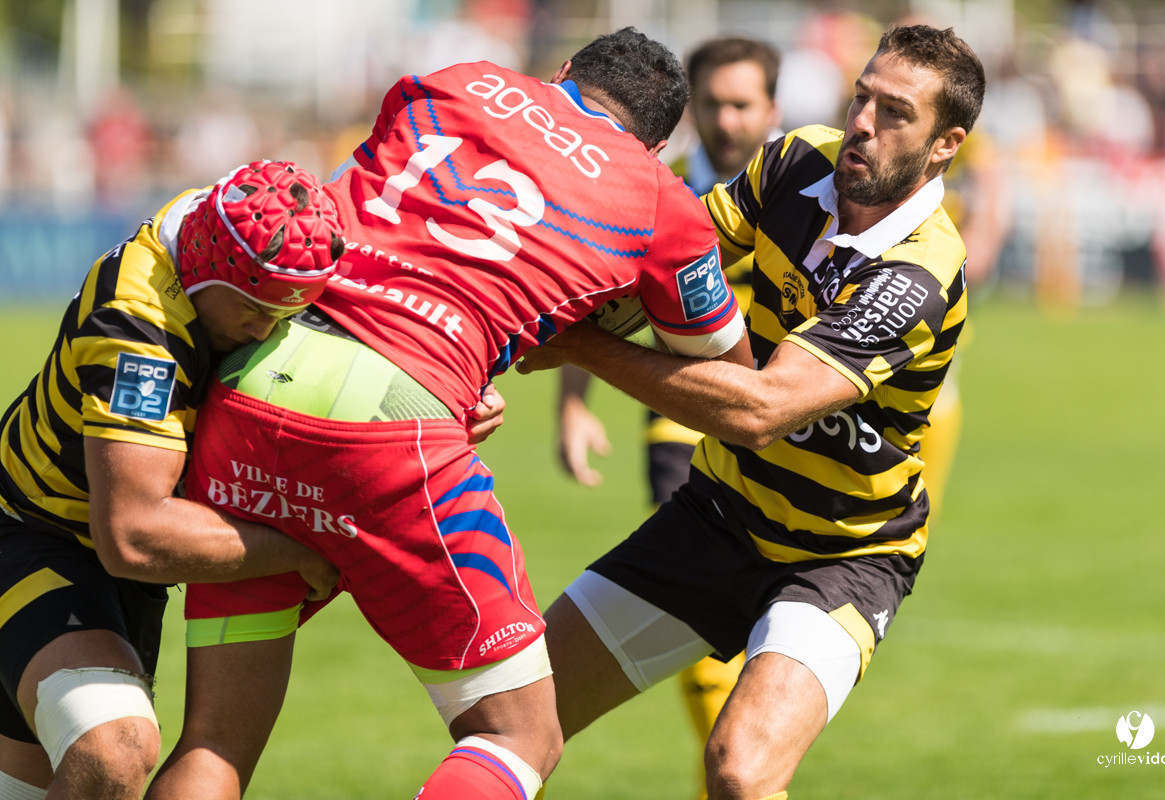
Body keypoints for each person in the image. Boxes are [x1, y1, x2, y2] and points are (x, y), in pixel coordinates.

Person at [145, 27, 748, 800]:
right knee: (519, 733)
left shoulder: (463, 78)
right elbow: (727, 377)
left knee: (216, 741)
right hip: (398, 418)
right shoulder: (661, 198)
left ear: (562, 73)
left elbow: (365, 208)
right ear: (659, 146)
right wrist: (599, 326)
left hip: (257, 383)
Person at [517, 24, 985, 800]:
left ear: (945, 144)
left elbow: (762, 410)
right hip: (718, 515)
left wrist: (581, 351)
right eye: (861, 95)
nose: (863, 122)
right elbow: (671, 258)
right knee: (512, 716)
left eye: (894, 112)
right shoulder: (798, 159)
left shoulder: (919, 276)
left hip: (841, 557)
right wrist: (510, 321)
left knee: (740, 768)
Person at [0, 160, 346, 800]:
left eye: (284, 312)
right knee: (114, 747)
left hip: (112, 568)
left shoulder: (233, 227)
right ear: (209, 270)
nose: (264, 331)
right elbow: (134, 535)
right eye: (250, 308)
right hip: (30, 538)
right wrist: (306, 549)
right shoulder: (137, 328)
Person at [554, 34, 781, 797]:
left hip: (777, 416)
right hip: (678, 414)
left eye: (741, 103)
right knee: (697, 601)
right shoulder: (659, 186)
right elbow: (597, 299)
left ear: (771, 109)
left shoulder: (792, 194)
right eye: (712, 103)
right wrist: (574, 407)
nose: (725, 119)